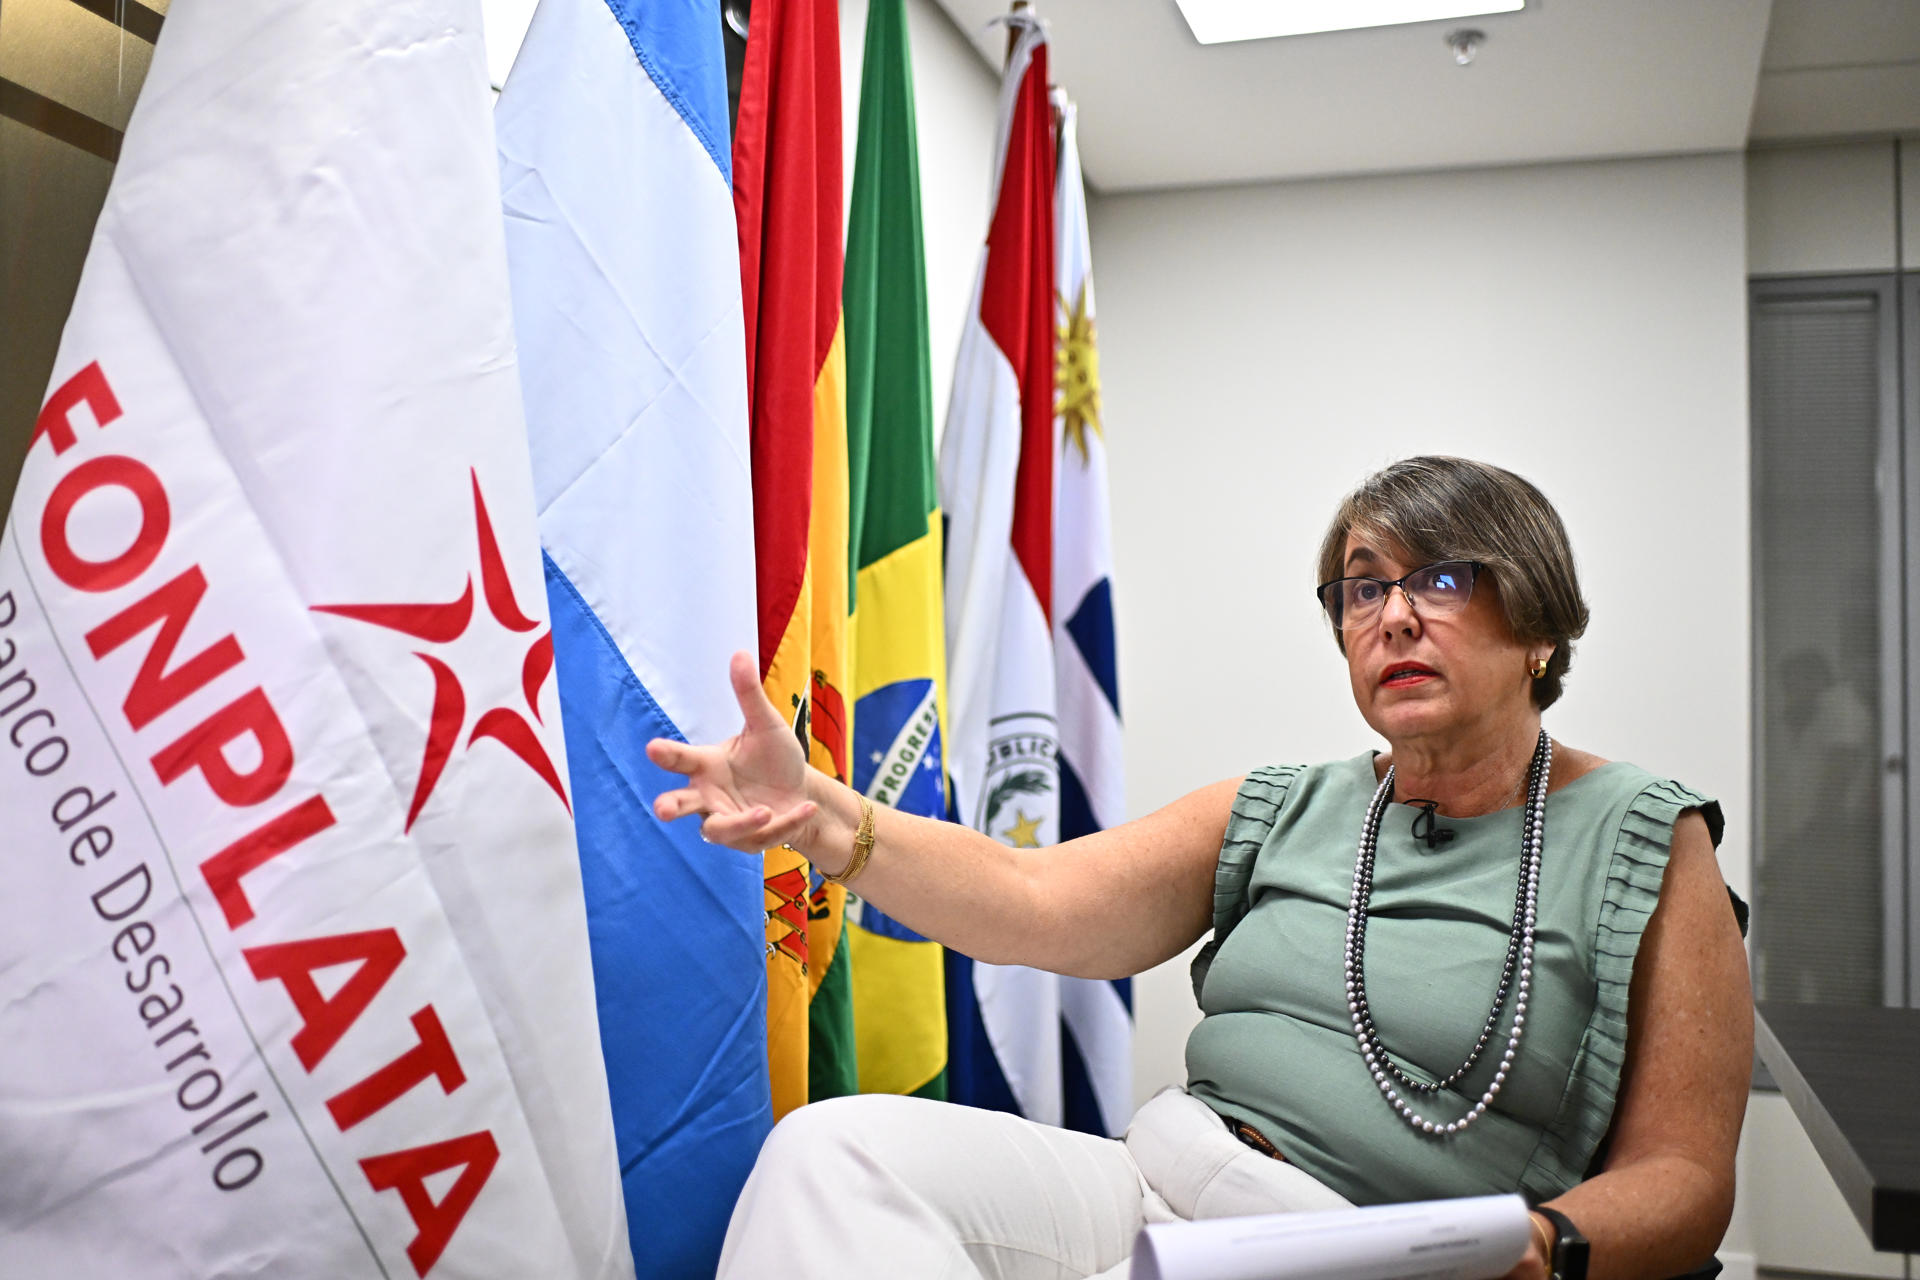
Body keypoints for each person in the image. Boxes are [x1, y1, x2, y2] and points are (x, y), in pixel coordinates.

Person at [647, 457, 1751, 1280]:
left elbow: (1688, 1178)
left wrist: (1543, 1245)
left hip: (1364, 1249)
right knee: (836, 1149)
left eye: (1444, 579)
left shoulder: (1644, 837)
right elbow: (1039, 902)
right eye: (1362, 589)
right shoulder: (1283, 804)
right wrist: (827, 818)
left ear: (1543, 625)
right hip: (1161, 1179)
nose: (1395, 615)